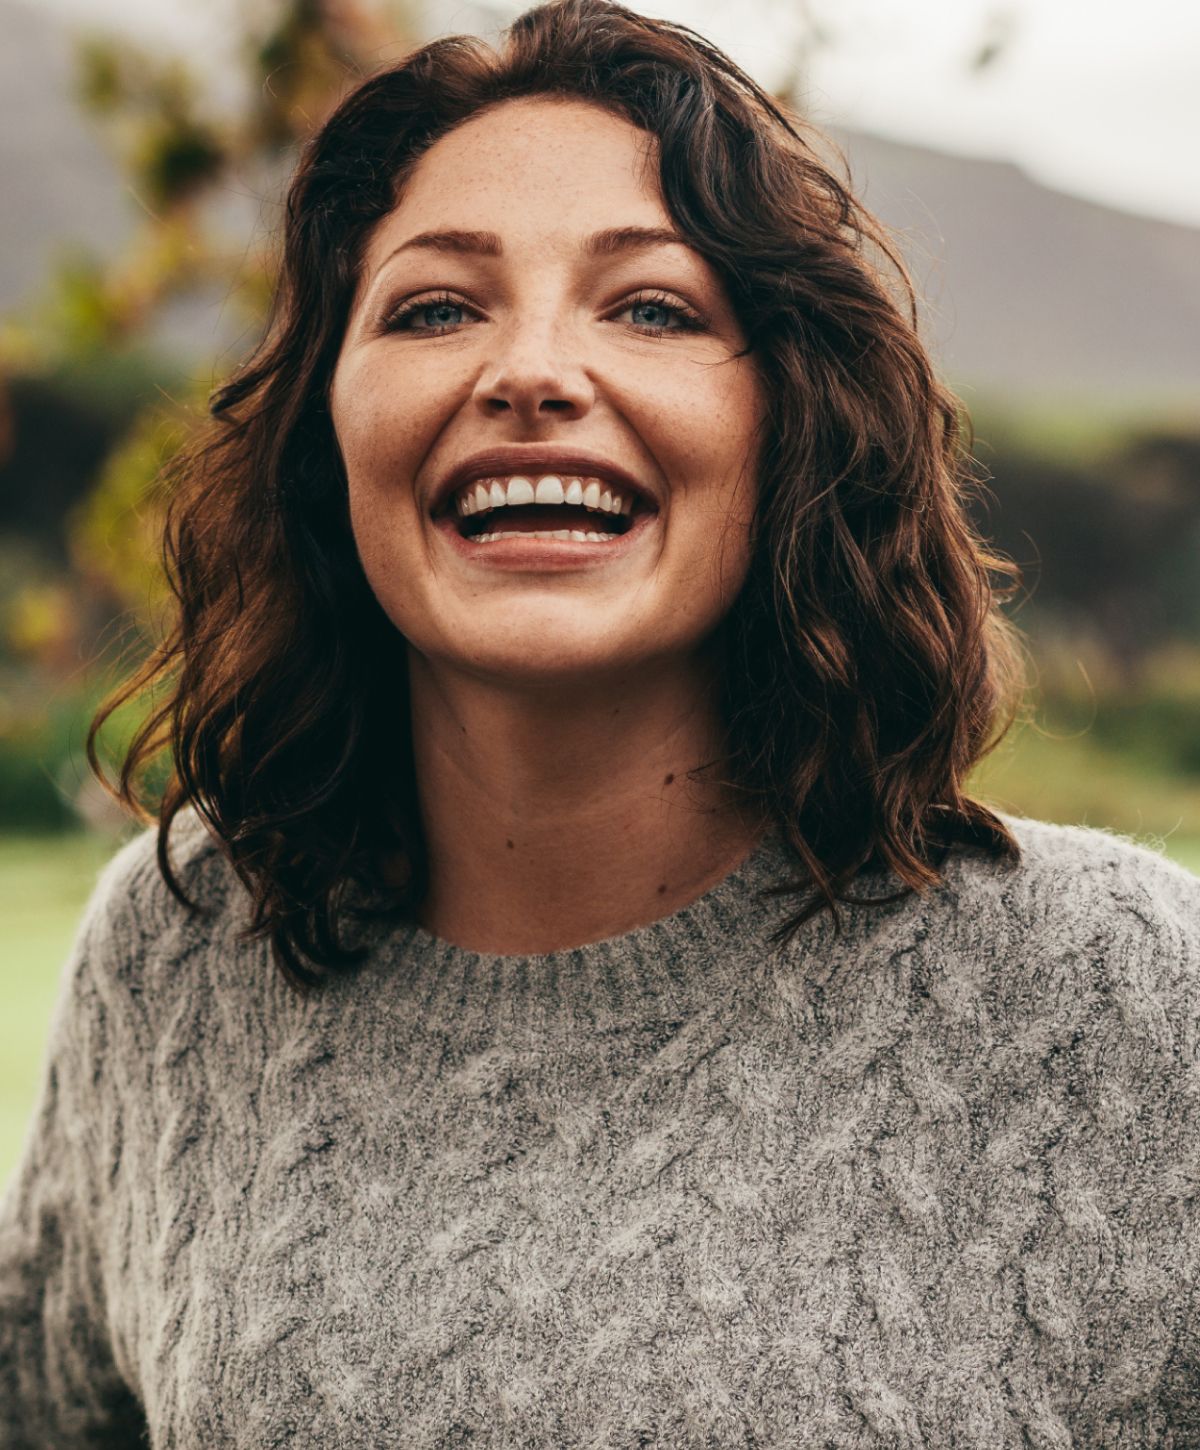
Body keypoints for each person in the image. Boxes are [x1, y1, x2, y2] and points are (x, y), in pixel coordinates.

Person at [3, 0, 1198, 1443]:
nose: (530, 373)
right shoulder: (179, 950)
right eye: (437, 306)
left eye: (651, 306)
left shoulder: (1119, 998)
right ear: (330, 429)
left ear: (793, 418)